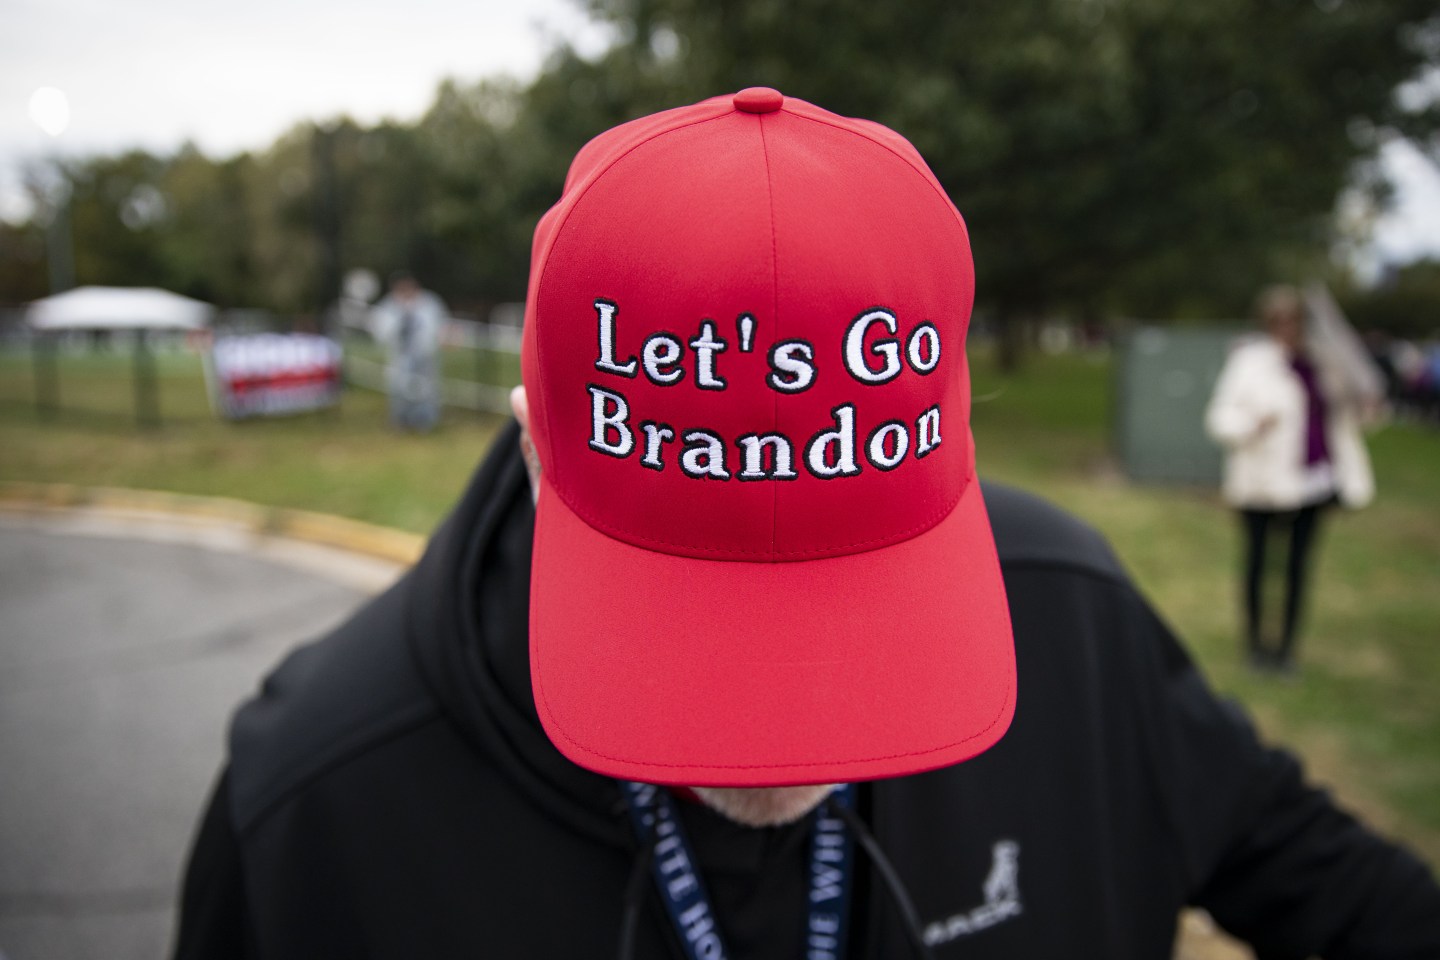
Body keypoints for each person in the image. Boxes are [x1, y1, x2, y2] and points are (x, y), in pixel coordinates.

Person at [173, 89, 1440, 959]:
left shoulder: (1075, 617)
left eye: (851, 586)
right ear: (526, 420)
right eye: (687, 593)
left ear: (952, 436)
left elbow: (1319, 877)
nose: (776, 753)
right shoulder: (316, 799)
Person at [1204, 285, 1376, 673]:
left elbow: (1349, 416)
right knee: (1258, 563)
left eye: (1294, 319)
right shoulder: (1250, 361)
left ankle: (1286, 650)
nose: (1287, 327)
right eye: (1278, 319)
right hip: (1261, 481)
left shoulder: (1324, 363)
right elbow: (1220, 418)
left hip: (1312, 480)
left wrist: (1366, 401)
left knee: (1299, 567)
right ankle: (1255, 646)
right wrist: (1253, 424)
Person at [369, 271, 447, 431]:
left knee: (426, 390)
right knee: (400, 388)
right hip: (400, 357)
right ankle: (401, 422)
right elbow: (380, 330)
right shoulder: (389, 305)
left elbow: (439, 325)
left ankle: (425, 423)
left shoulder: (429, 302)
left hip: (426, 357)